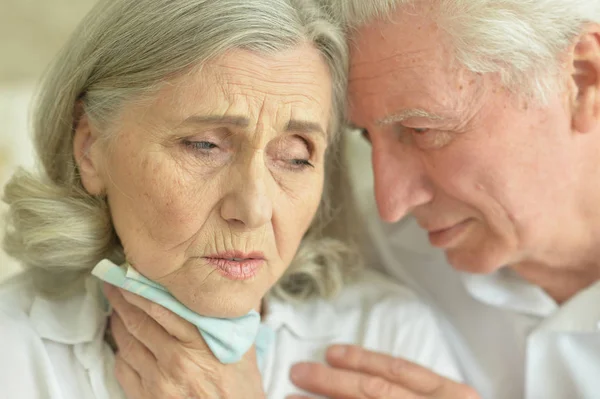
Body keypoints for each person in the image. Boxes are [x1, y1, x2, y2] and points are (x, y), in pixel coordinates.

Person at [0, 0, 463, 398]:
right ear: (90, 149)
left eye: (296, 157)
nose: (254, 209)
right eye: (204, 145)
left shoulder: (387, 337)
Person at [285, 1, 600, 399]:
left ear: (582, 78)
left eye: (422, 130)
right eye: (363, 135)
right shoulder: (365, 248)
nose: (392, 203)